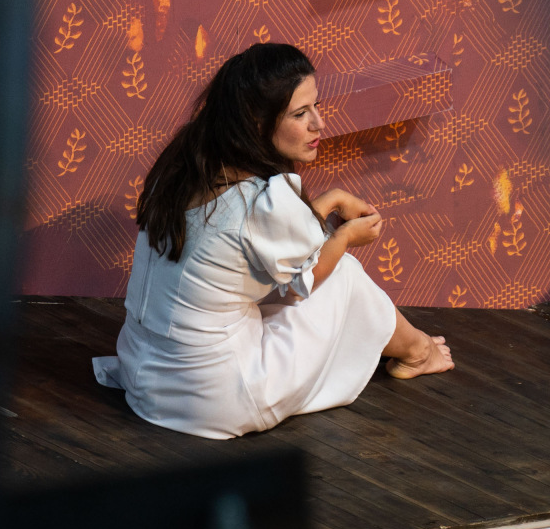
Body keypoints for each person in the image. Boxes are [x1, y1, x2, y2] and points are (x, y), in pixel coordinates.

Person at [92, 42, 453, 439]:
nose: (318, 124)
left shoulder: (182, 167)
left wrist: (329, 201)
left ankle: (409, 345)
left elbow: (256, 238)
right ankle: (418, 350)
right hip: (213, 399)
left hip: (146, 380)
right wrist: (346, 236)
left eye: (316, 106)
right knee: (345, 274)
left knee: (276, 286)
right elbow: (302, 283)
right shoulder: (263, 201)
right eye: (300, 114)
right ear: (256, 121)